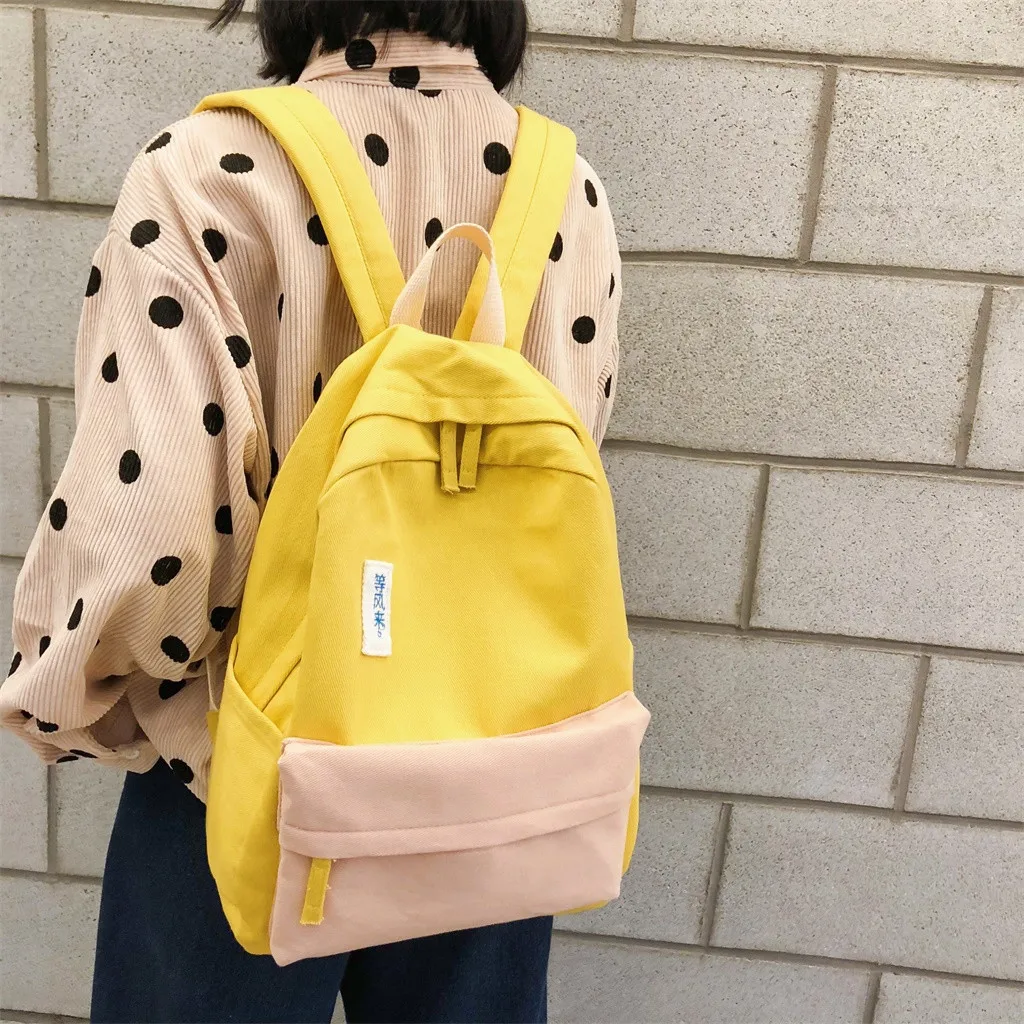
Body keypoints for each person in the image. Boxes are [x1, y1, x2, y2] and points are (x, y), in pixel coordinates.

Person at [0, 1, 623, 1021]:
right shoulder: (570, 191)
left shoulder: (207, 172)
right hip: (499, 772)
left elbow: (158, 534)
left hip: (247, 766)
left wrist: (71, 697)